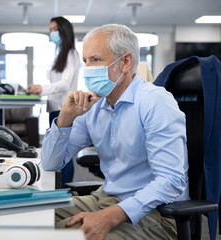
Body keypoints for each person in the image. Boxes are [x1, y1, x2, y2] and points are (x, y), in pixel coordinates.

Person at [41, 24, 189, 240]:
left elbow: (171, 180)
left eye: (96, 60)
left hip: (155, 214)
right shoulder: (95, 106)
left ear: (126, 62)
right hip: (104, 198)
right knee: (29, 215)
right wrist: (65, 118)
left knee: (64, 235)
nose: (88, 68)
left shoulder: (155, 101)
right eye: (85, 61)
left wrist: (109, 217)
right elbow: (50, 163)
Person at [27, 16, 79, 187]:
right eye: (50, 30)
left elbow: (64, 83)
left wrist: (42, 88)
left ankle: (65, 189)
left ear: (63, 30)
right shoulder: (60, 53)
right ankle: (60, 186)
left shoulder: (71, 53)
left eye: (53, 29)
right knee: (56, 150)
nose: (50, 33)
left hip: (63, 108)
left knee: (63, 152)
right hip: (55, 108)